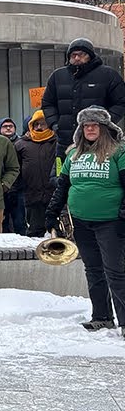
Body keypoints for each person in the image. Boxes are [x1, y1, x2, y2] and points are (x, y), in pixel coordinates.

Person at [45, 107, 125, 336]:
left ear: (105, 128)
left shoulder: (119, 151)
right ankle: (101, 317)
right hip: (81, 222)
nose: (90, 129)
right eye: (86, 126)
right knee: (93, 270)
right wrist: (51, 213)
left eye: (95, 125)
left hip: (111, 222)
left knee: (116, 272)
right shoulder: (73, 153)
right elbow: (62, 186)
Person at [41, 38, 125, 156]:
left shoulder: (108, 75)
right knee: (62, 167)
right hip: (65, 141)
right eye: (73, 55)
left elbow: (121, 102)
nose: (76, 58)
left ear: (90, 56)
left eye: (81, 54)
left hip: (99, 141)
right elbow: (48, 103)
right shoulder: (57, 76)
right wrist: (55, 125)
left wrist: (105, 122)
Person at [15, 110, 58, 238]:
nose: (39, 127)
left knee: (58, 232)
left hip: (55, 196)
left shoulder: (58, 142)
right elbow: (16, 169)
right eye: (36, 124)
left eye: (43, 124)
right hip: (32, 196)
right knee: (34, 232)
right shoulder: (21, 144)